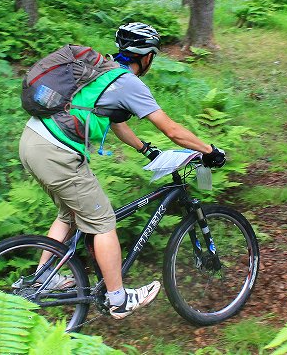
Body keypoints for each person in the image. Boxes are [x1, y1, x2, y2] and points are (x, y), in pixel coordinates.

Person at [18, 22, 227, 319]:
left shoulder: (103, 70)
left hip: (32, 141)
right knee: (102, 222)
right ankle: (118, 299)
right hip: (56, 153)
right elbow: (172, 130)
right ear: (146, 56)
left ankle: (44, 276)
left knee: (69, 214)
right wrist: (210, 151)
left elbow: (117, 123)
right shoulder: (129, 83)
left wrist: (145, 149)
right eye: (152, 55)